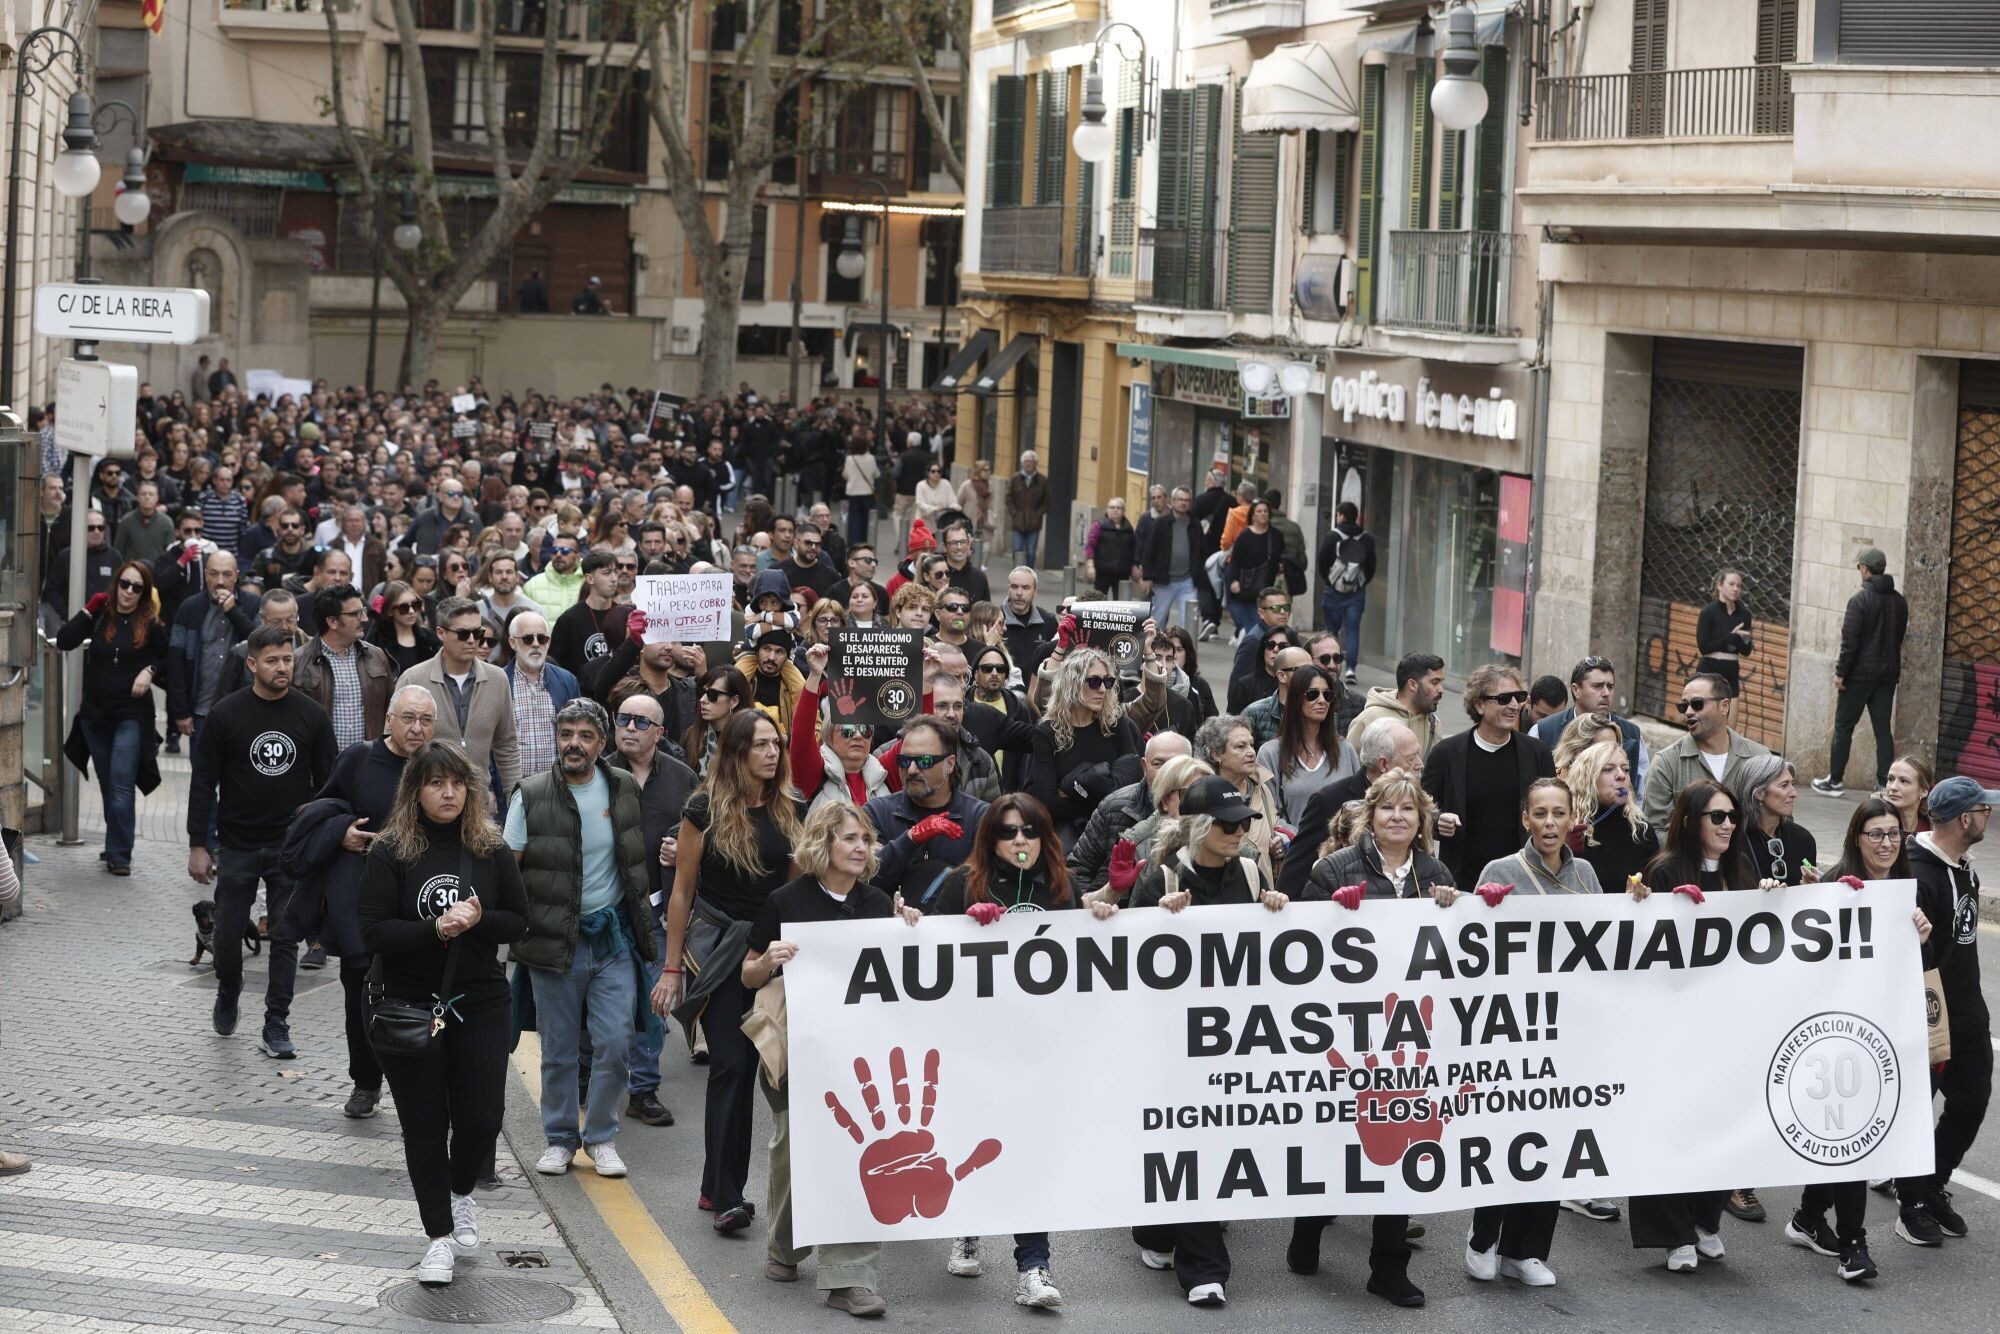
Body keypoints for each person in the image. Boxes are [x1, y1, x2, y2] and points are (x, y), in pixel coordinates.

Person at [923, 793, 1112, 1309]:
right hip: (975, 1046)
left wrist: (1103, 907)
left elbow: (1087, 953)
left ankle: (1033, 1266)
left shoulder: (1063, 886)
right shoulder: (963, 883)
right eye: (1008, 832)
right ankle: (967, 1224)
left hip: (1039, 1047)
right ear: (991, 839)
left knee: (1029, 1152)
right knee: (974, 1142)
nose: (1020, 840)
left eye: (1029, 830)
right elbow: (921, 953)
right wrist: (961, 928)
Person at [358, 740, 529, 1287]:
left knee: (483, 1118)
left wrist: (477, 921)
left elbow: (518, 920)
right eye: (436, 783)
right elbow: (373, 932)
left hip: (480, 1000)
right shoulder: (391, 850)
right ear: (416, 791)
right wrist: (435, 928)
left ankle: (459, 1194)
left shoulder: (489, 847)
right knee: (425, 1125)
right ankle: (438, 1239)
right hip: (409, 1004)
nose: (448, 793)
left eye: (457, 783)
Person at [1129, 775, 1291, 1306]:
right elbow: (1126, 954)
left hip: (1234, 1034)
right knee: (1184, 1141)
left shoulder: (1250, 870)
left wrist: (1274, 907)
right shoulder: (1162, 876)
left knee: (1213, 1139)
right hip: (1172, 1037)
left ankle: (1166, 1235)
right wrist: (1158, 919)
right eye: (1227, 825)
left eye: (1243, 823)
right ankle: (1201, 1266)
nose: (1238, 832)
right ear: (1199, 828)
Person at [748, 803, 915, 1318]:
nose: (861, 847)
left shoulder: (879, 903)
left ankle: (850, 1278)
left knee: (859, 1148)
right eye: (849, 838)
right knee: (794, 1149)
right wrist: (768, 960)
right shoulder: (785, 901)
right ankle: (785, 1246)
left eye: (866, 839)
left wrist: (908, 928)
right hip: (799, 1048)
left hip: (860, 1056)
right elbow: (747, 974)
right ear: (823, 843)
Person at [657, 711, 808, 1234]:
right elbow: (682, 891)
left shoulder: (792, 806)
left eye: (776, 744)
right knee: (731, 1066)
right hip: (719, 951)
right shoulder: (703, 809)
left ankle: (715, 1185)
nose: (771, 753)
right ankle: (726, 1196)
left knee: (755, 1070)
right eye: (760, 745)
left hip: (771, 953)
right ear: (736, 752)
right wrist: (671, 967)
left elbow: (795, 890)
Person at [508, 699, 657, 1181]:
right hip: (554, 943)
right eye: (566, 733)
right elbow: (507, 870)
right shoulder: (530, 794)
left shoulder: (623, 787)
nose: (574, 743)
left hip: (612, 941)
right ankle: (559, 1139)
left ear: (601, 742)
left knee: (615, 1042)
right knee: (559, 1051)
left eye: (585, 735)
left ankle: (600, 1138)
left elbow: (632, 862)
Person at [1788, 795, 1922, 1284]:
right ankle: (1853, 1246)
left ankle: (1808, 1216)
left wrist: (1922, 940)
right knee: (1850, 1140)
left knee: (1847, 1140)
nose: (1886, 843)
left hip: (1884, 1033)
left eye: (1894, 833)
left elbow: (1921, 969)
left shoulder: (1906, 890)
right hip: (1837, 1036)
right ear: (1856, 839)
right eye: (1876, 834)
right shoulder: (1835, 887)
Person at [188, 624, 339, 1058]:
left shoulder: (312, 716)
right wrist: (198, 844)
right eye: (272, 660)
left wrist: (322, 842)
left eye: (287, 659)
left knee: (286, 935)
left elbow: (328, 786)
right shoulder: (226, 715)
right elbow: (203, 783)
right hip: (236, 844)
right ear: (252, 663)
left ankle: (276, 1022)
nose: (282, 667)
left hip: (289, 846)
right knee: (227, 931)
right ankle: (229, 986)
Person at [1630, 778, 1759, 1272]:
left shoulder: (1741, 872)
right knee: (1675, 1125)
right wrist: (1643, 902)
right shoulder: (1663, 872)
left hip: (1727, 1029)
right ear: (1690, 822)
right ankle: (1673, 1232)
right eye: (1717, 817)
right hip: (1674, 1028)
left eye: (1733, 817)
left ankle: (1705, 1220)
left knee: (1721, 1124)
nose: (1728, 825)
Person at [315, 684, 439, 1119]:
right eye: (408, 718)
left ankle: (422, 1080)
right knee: (360, 992)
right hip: (363, 897)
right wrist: (343, 831)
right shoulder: (360, 758)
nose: (417, 728)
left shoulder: (438, 765)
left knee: (420, 991)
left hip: (419, 900)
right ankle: (365, 1082)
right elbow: (324, 808)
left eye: (426, 720)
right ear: (388, 719)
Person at [1893, 774, 1995, 1248]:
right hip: (1931, 1018)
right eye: (1984, 809)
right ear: (1965, 819)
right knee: (1916, 1111)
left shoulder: (1963, 867)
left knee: (1971, 1102)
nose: (1989, 816)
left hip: (1969, 1015)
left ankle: (1933, 1184)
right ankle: (1910, 1202)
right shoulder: (1919, 874)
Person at [57, 560, 168, 875]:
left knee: (121, 781)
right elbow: (65, 640)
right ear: (116, 584)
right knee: (108, 784)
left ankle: (120, 854)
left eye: (137, 587)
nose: (129, 592)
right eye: (124, 584)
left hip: (131, 714)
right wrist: (89, 609)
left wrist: (150, 670)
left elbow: (170, 657)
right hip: (96, 715)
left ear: (144, 592)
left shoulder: (151, 624)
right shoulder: (99, 616)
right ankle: (114, 842)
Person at [1422, 665, 1557, 887]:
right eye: (1504, 699)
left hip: (1524, 881)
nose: (1514, 705)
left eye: (1518, 697)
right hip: (1463, 884)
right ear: (1479, 704)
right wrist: (1438, 822)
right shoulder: (1446, 754)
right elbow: (1421, 811)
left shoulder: (1537, 753)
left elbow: (1554, 808)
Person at [396, 597, 523, 804]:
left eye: (478, 633)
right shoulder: (413, 679)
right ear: (441, 633)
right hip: (424, 805)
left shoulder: (497, 679)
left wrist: (516, 799)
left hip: (478, 805)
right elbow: (394, 745)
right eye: (463, 634)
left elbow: (506, 745)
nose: (472, 640)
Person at [1813, 547, 1909, 797]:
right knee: (1883, 730)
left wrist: (1840, 673)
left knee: (1844, 727)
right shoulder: (1899, 601)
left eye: (1859, 567)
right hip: (1887, 676)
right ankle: (1884, 784)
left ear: (1865, 569)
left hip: (1858, 675)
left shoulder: (1859, 600)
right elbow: (1898, 638)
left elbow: (1850, 642)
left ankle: (1835, 781)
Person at [1028, 646, 1143, 846]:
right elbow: (1047, 803)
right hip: (1065, 839)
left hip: (1112, 835)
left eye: (1108, 681)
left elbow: (1130, 789)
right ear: (1072, 683)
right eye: (1094, 681)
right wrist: (1102, 797)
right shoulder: (1047, 733)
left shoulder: (1116, 724)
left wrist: (1072, 790)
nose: (1102, 689)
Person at [1066, 730, 1192, 893]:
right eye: (1158, 763)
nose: (1167, 771)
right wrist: (1096, 902)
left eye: (1176, 764)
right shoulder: (1113, 806)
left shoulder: (1208, 810)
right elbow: (1078, 871)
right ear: (1144, 766)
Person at [1642, 672, 1772, 827]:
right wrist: (1688, 838)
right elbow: (1652, 830)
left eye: (1697, 704)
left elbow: (1779, 823)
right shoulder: (1666, 763)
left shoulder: (1760, 758)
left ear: (1724, 706)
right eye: (1683, 706)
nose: (1688, 712)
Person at [790, 643, 893, 810]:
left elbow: (922, 739)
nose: (858, 736)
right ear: (829, 735)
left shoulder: (885, 772)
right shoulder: (814, 775)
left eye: (865, 729)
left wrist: (925, 682)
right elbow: (802, 735)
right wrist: (815, 675)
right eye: (848, 730)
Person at [292, 582, 393, 750]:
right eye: (355, 614)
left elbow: (391, 712)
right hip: (320, 762)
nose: (365, 619)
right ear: (332, 621)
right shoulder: (298, 661)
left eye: (363, 611)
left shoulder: (377, 657)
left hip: (369, 760)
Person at [1260, 663, 1358, 828]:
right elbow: (1268, 814)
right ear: (1296, 699)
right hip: (1294, 842)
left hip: (1339, 843)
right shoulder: (1270, 753)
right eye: (1313, 694)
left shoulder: (1345, 749)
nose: (1322, 700)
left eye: (1327, 694)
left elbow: (1359, 805)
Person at [1532, 654, 1648, 787]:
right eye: (1598, 686)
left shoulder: (1632, 734)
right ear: (1576, 690)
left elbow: (1641, 793)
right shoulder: (1543, 730)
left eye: (1610, 687)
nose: (1606, 693)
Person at [1563, 739, 1659, 893]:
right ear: (1587, 778)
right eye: (1608, 769)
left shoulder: (1642, 831)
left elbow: (1657, 890)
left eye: (1626, 769)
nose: (1621, 775)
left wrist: (1641, 893)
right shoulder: (1571, 830)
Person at [506, 611, 579, 782]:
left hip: (558, 786)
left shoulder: (567, 681)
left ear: (549, 642)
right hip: (512, 787)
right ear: (513, 642)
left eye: (542, 638)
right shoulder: (499, 681)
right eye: (528, 639)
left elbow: (578, 733)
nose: (536, 644)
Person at [1732, 754, 1819, 889]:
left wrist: (1813, 885)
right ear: (1759, 793)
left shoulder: (1803, 839)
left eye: (1792, 784)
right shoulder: (1732, 840)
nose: (1794, 793)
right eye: (1784, 785)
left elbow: (1812, 888)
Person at [1317, 501, 1375, 683]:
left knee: (1332, 631)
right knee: (1352, 630)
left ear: (1341, 515)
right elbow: (1371, 566)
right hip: (1356, 592)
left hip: (1334, 591)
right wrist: (1361, 583)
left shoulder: (1332, 536)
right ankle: (1350, 669)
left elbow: (1322, 563)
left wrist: (1330, 581)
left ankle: (1330, 667)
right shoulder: (1367, 539)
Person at [1346, 652, 1444, 756]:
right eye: (1434, 682)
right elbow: (1348, 762)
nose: (1441, 689)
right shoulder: (1369, 720)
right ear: (1412, 685)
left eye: (1441, 682)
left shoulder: (1434, 724)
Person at [1142, 486, 1210, 634]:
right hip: (1164, 581)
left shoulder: (1195, 524)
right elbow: (1149, 550)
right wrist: (1147, 576)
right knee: (1158, 619)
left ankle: (1184, 647)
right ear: (1172, 501)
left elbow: (1203, 550)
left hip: (1188, 581)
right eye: (1180, 499)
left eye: (1187, 500)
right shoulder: (1161, 523)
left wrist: (1198, 571)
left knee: (1188, 621)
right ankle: (1152, 645)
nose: (1183, 503)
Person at [550, 551, 627, 680]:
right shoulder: (569, 620)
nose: (614, 578)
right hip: (580, 689)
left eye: (615, 572)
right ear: (590, 578)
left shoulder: (624, 616)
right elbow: (555, 666)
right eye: (607, 573)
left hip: (619, 688)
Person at [1222, 499, 1284, 636]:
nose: (1263, 514)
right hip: (1248, 586)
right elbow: (1235, 560)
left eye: (1265, 511)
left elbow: (1280, 555)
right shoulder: (1245, 535)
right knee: (1254, 624)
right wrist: (1234, 580)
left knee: (1267, 624)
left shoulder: (1276, 535)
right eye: (1259, 511)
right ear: (1253, 515)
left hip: (1268, 586)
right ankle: (1250, 640)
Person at [682, 665, 751, 775]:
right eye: (701, 692)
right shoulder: (690, 736)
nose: (703, 700)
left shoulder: (750, 739)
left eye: (712, 695)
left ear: (734, 701)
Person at [1696, 568, 1753, 696]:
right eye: (1731, 584)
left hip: (1731, 671)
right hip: (1709, 669)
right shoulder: (1708, 612)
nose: (1735, 589)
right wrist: (1728, 638)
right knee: (1707, 708)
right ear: (1720, 585)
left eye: (1739, 586)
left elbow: (1747, 651)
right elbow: (1704, 648)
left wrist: (1740, 639)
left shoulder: (1745, 615)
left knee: (1732, 709)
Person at [368, 580, 441, 677]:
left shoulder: (430, 639)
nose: (411, 611)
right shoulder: (378, 643)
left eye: (416, 605)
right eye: (403, 608)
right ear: (390, 611)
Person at [114, 479, 176, 566]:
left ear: (157, 498)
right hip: (133, 570)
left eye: (151, 494)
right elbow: (118, 551)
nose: (147, 497)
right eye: (143, 494)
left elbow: (171, 553)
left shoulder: (167, 522)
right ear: (137, 497)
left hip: (158, 571)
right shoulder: (126, 521)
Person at [523, 532, 586, 617]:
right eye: (554, 550)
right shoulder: (532, 586)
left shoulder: (587, 584)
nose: (558, 554)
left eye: (565, 551)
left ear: (578, 557)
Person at [1083, 497, 1136, 598]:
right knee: (1099, 601)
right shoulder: (1098, 525)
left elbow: (1133, 549)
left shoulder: (1128, 528)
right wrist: (1090, 566)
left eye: (1118, 508)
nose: (1115, 510)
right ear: (1107, 509)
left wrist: (1134, 566)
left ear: (1123, 511)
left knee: (1120, 603)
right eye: (1112, 507)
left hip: (1122, 573)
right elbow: (1090, 545)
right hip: (1102, 572)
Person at [1006, 449, 1050, 569]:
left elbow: (1047, 500)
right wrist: (1014, 513)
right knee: (1017, 549)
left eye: (1031, 461)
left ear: (1036, 463)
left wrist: (1038, 514)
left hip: (1034, 523)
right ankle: (1017, 572)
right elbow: (1008, 498)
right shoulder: (1015, 479)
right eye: (1026, 461)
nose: (1029, 463)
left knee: (1031, 552)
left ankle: (1029, 573)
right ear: (1022, 463)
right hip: (1018, 521)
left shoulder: (1042, 480)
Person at [840, 436, 878, 548]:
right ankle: (864, 541)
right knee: (866, 518)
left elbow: (845, 474)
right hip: (867, 492)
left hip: (852, 492)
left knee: (854, 518)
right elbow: (876, 474)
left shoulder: (849, 459)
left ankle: (853, 543)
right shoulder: (871, 458)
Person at [1883, 753, 1934, 833]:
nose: (1893, 787)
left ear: (1923, 791)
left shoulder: (1932, 832)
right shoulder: (1872, 826)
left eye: (1903, 781)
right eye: (1890, 779)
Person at [914, 460, 956, 529]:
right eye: (933, 471)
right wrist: (934, 509)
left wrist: (954, 506)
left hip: (942, 523)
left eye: (938, 471)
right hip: (925, 522)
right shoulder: (921, 485)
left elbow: (952, 500)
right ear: (928, 473)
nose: (936, 473)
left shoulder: (946, 484)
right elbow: (920, 503)